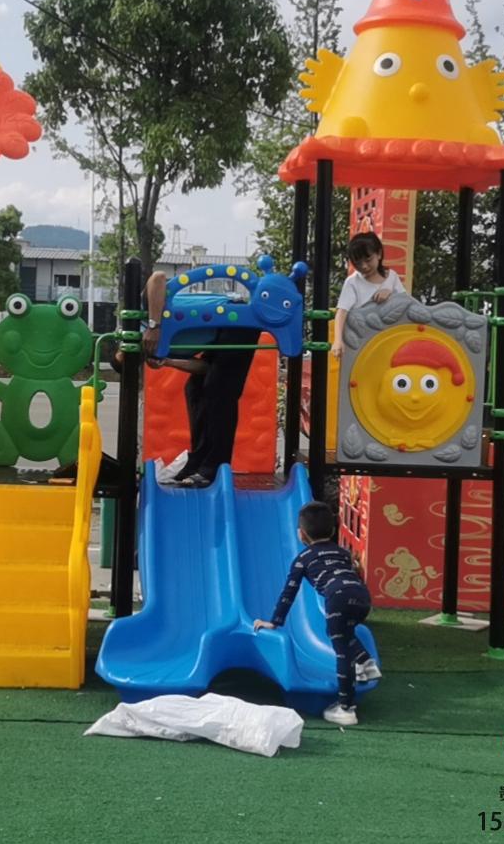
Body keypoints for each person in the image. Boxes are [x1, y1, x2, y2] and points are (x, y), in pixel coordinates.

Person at [253, 500, 380, 726]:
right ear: (332, 530)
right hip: (362, 596)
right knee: (343, 632)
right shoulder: (342, 552)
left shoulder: (303, 559)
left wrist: (275, 622)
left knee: (341, 650)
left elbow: (288, 593)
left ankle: (346, 708)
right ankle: (366, 664)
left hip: (338, 598)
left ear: (301, 534)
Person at [141, 270, 260, 488]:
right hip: (219, 335)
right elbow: (204, 368)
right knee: (195, 387)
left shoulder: (146, 317)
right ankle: (197, 460)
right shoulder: (155, 349)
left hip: (237, 319)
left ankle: (213, 468)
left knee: (219, 390)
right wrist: (168, 362)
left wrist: (154, 325)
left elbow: (158, 277)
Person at [332, 231, 406, 359]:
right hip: (363, 342)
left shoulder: (392, 277)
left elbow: (406, 303)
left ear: (379, 254)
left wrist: (389, 293)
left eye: (368, 260)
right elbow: (342, 311)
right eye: (358, 262)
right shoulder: (353, 282)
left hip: (389, 340)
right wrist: (338, 340)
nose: (364, 266)